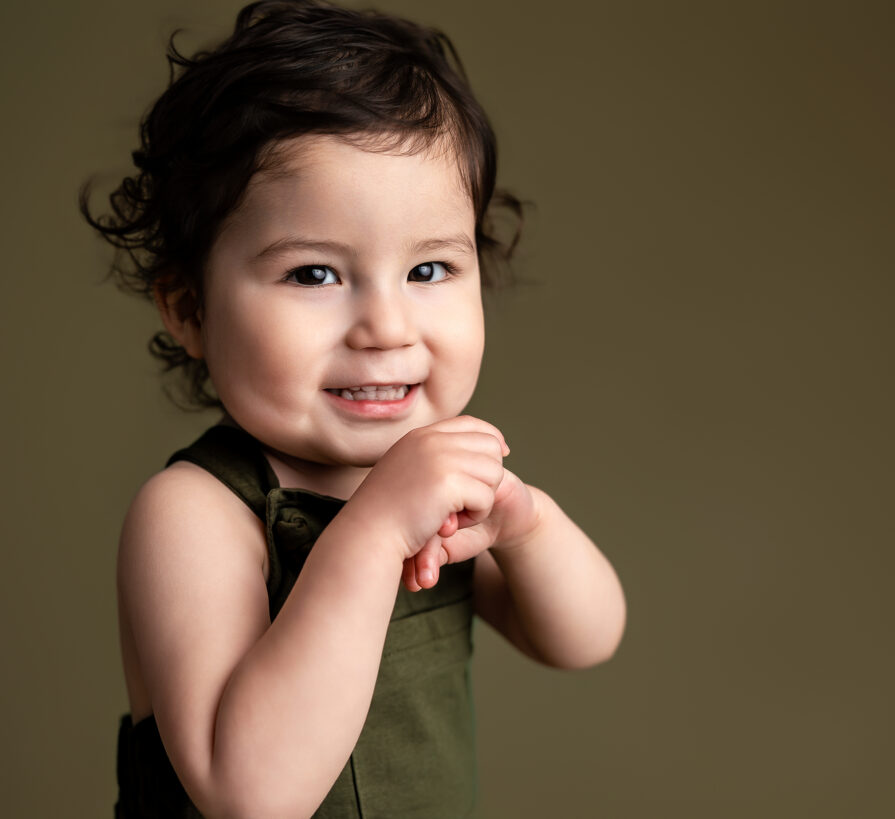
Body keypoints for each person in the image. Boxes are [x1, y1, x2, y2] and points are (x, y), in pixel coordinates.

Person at [83, 1, 626, 816]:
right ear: (190, 309)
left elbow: (585, 639)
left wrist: (529, 525)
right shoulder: (195, 514)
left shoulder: (426, 481)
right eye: (314, 274)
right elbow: (251, 793)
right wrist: (372, 530)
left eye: (431, 269)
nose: (386, 327)